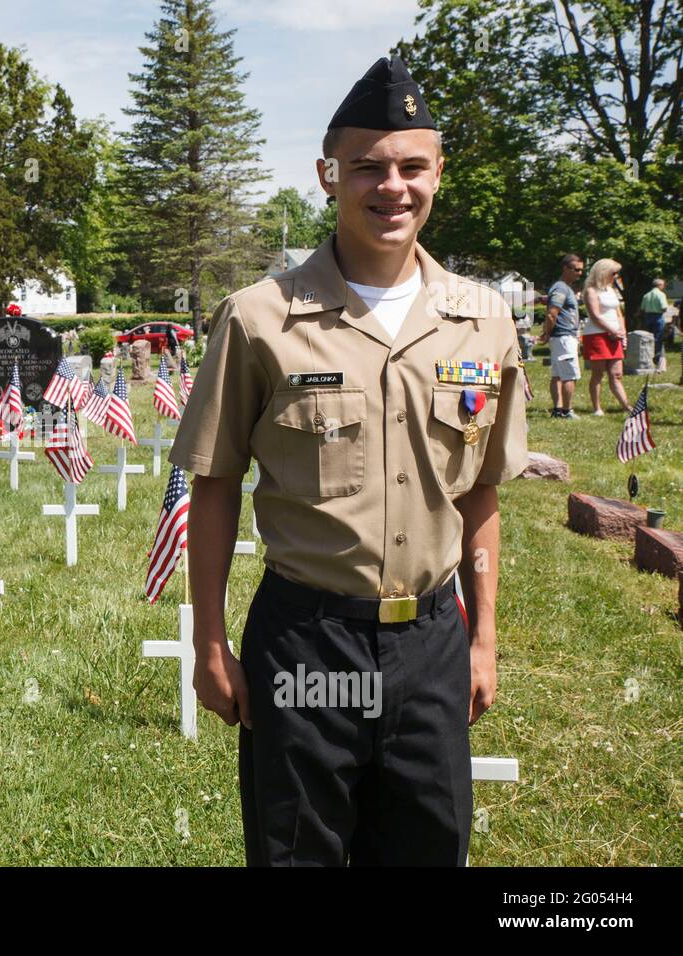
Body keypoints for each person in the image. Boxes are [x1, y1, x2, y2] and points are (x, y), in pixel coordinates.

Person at [170, 55, 528, 866]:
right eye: (367, 166)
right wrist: (210, 643)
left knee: (430, 846)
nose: (390, 186)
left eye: (411, 166)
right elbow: (216, 482)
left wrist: (483, 641)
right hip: (306, 640)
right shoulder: (261, 320)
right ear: (328, 176)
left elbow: (481, 493)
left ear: (439, 174)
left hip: (433, 637)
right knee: (298, 849)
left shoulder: (484, 322)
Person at [582, 258, 632, 415]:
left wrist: (622, 331)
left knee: (616, 373)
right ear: (603, 272)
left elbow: (619, 313)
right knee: (598, 373)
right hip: (597, 335)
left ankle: (627, 406)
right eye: (613, 273)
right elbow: (595, 315)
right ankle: (597, 408)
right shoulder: (591, 290)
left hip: (614, 335)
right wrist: (612, 330)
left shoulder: (611, 290)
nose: (616, 276)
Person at [537, 254, 584, 418]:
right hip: (564, 337)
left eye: (581, 270)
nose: (580, 273)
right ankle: (567, 410)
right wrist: (546, 334)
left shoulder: (563, 287)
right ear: (565, 268)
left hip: (561, 338)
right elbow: (551, 314)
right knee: (569, 375)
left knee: (557, 374)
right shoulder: (561, 287)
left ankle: (558, 410)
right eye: (576, 270)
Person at [640, 278, 669, 373]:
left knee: (648, 338)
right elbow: (664, 308)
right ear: (660, 285)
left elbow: (642, 308)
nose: (664, 287)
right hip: (658, 317)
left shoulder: (646, 295)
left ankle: (648, 358)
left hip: (648, 317)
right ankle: (658, 361)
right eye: (663, 285)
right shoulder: (661, 294)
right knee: (658, 339)